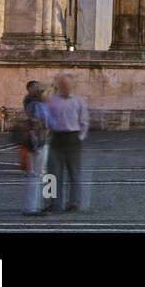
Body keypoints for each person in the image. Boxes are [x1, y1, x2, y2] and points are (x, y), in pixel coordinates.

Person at [45, 73, 90, 212]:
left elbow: (84, 121)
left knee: (74, 173)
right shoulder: (51, 101)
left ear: (72, 86)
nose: (66, 87)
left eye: (68, 84)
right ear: (59, 86)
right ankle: (53, 203)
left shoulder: (79, 101)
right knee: (52, 174)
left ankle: (74, 203)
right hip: (56, 137)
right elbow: (46, 119)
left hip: (72, 138)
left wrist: (79, 137)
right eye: (63, 84)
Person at [21, 81, 51, 216]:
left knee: (39, 173)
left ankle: (37, 205)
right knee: (36, 174)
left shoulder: (36, 104)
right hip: (37, 140)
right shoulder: (34, 104)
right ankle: (32, 207)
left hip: (38, 139)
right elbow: (46, 121)